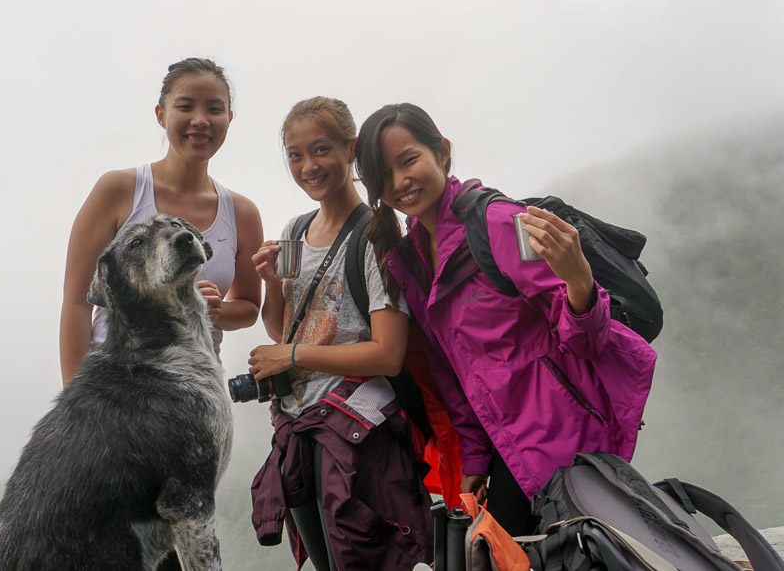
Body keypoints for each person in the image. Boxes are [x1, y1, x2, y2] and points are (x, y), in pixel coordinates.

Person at [353, 103, 657, 536]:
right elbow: (454, 373)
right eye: (384, 175)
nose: (400, 182)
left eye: (409, 161)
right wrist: (476, 458)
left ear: (442, 153)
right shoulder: (414, 260)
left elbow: (587, 343)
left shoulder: (498, 224)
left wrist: (579, 284)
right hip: (509, 445)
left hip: (564, 435)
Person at [59, 59, 263, 570]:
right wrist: (76, 409)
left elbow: (248, 308)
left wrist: (218, 310)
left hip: (193, 403)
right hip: (119, 397)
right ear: (160, 114)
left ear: (230, 119)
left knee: (178, 538)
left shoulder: (241, 213)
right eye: (185, 106)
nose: (200, 120)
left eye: (214, 109)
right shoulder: (121, 191)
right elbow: (77, 302)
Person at [248, 97, 433, 571]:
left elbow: (388, 354)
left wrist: (290, 358)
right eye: (294, 154)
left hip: (357, 435)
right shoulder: (295, 230)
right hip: (296, 428)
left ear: (350, 150)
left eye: (321, 149)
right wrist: (272, 282)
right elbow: (285, 328)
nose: (308, 166)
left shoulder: (377, 232)